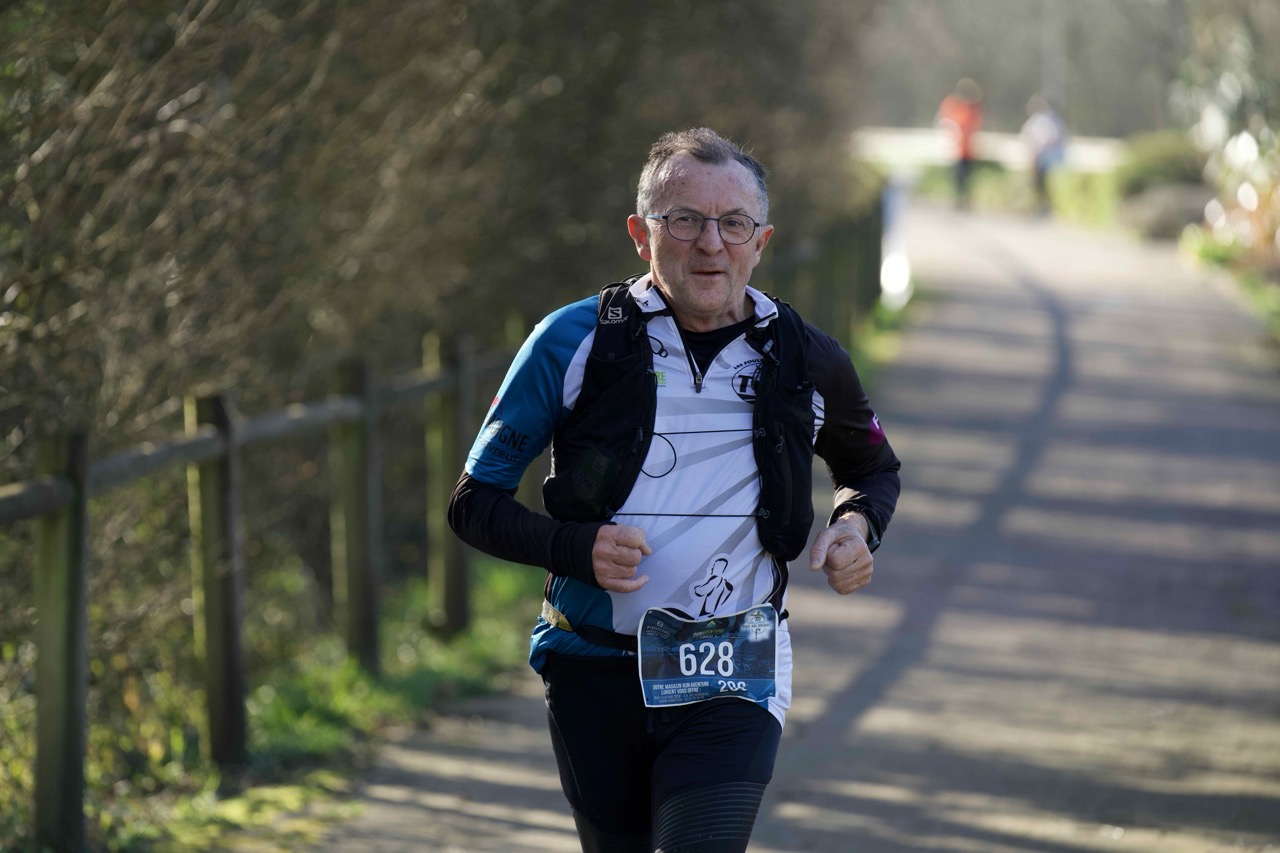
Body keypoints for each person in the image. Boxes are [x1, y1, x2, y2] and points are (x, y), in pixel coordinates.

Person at [448, 127, 901, 853]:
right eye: (685, 220)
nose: (710, 244)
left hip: (735, 670)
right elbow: (473, 503)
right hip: (592, 664)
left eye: (733, 223)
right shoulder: (572, 342)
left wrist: (855, 525)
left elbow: (872, 467)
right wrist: (575, 547)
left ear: (762, 241)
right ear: (641, 234)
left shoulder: (806, 357)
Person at [936, 78, 984, 209]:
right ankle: (959, 199)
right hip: (959, 150)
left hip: (968, 151)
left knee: (966, 177)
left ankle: (965, 199)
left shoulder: (972, 111)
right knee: (958, 177)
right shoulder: (957, 107)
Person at [1020, 94, 1069, 215]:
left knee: (1046, 184)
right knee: (1039, 184)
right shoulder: (1037, 121)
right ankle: (1042, 205)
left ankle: (1047, 206)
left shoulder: (1051, 120)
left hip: (1048, 159)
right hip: (1041, 159)